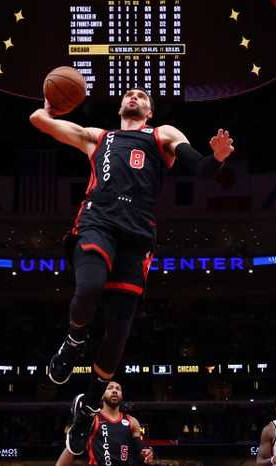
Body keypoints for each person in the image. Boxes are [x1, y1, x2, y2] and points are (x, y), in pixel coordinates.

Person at [29, 88, 235, 440]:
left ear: (150, 111)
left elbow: (200, 171)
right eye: (129, 94)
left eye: (141, 95)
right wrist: (51, 105)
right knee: (90, 288)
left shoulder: (163, 135)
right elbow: (38, 121)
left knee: (118, 332)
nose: (134, 96)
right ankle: (74, 341)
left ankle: (87, 408)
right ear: (122, 106)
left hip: (138, 232)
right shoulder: (98, 137)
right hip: (99, 218)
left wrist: (217, 158)